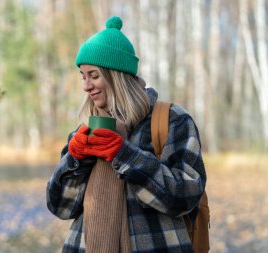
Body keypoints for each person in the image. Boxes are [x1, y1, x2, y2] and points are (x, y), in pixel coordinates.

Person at [46, 16, 207, 253]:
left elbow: (187, 196)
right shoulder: (83, 132)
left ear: (116, 75)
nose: (86, 86)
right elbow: (60, 208)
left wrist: (126, 156)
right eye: (83, 76)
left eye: (94, 75)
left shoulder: (171, 120)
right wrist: (74, 160)